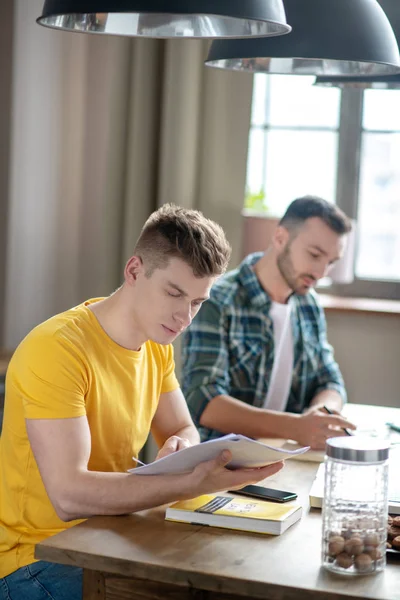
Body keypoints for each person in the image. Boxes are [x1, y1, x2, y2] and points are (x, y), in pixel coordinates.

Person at [0, 204, 284, 600]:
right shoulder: (57, 350)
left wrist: (180, 448)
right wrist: (186, 480)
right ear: (134, 271)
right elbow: (68, 496)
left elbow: (182, 428)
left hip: (108, 536)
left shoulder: (155, 345)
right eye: (174, 293)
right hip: (34, 562)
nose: (185, 317)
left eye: (198, 302)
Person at [181, 195, 357, 450]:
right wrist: (297, 427)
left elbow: (330, 381)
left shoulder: (309, 305)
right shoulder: (218, 299)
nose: (321, 273)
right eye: (315, 255)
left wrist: (321, 416)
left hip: (284, 459)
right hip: (222, 462)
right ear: (280, 238)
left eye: (330, 262)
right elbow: (203, 401)